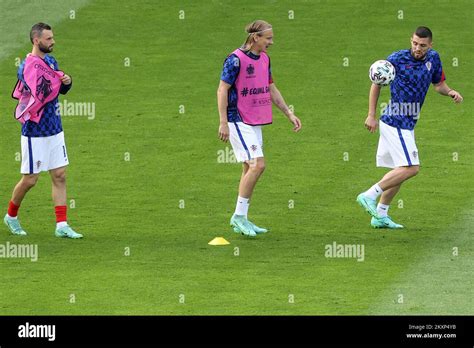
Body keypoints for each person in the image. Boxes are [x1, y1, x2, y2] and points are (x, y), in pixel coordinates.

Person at [357, 26, 463, 229]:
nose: (417, 48)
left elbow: (439, 85)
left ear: (430, 45)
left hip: (408, 123)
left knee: (398, 171)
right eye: (415, 43)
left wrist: (450, 92)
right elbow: (376, 83)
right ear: (411, 41)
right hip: (396, 121)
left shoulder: (434, 59)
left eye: (422, 45)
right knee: (411, 168)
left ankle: (380, 215)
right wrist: (371, 115)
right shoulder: (396, 59)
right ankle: (369, 195)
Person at [217, 20, 302, 237]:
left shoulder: (264, 58)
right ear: (256, 38)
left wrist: (289, 113)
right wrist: (223, 122)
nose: (271, 42)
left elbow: (271, 88)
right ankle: (237, 217)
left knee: (248, 167)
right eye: (268, 38)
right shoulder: (235, 60)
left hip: (255, 119)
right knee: (258, 165)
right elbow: (222, 90)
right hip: (238, 118)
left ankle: (242, 217)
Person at [4, 23, 83, 239]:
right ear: (36, 41)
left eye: (53, 37)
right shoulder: (26, 67)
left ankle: (62, 225)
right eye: (48, 39)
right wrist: (54, 82)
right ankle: (11, 216)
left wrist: (67, 82)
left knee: (60, 175)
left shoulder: (50, 61)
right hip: (35, 131)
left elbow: (59, 90)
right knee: (30, 179)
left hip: (55, 127)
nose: (53, 41)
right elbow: (37, 95)